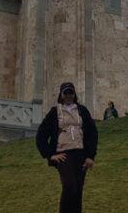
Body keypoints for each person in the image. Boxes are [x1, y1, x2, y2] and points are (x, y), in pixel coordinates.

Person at [36, 82, 98, 213]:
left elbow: (92, 133)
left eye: (71, 92)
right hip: (64, 154)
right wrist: (50, 155)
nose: (68, 95)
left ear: (74, 94)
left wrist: (90, 156)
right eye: (66, 93)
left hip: (81, 154)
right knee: (70, 187)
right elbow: (41, 135)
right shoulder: (55, 112)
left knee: (78, 191)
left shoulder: (82, 110)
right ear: (61, 95)